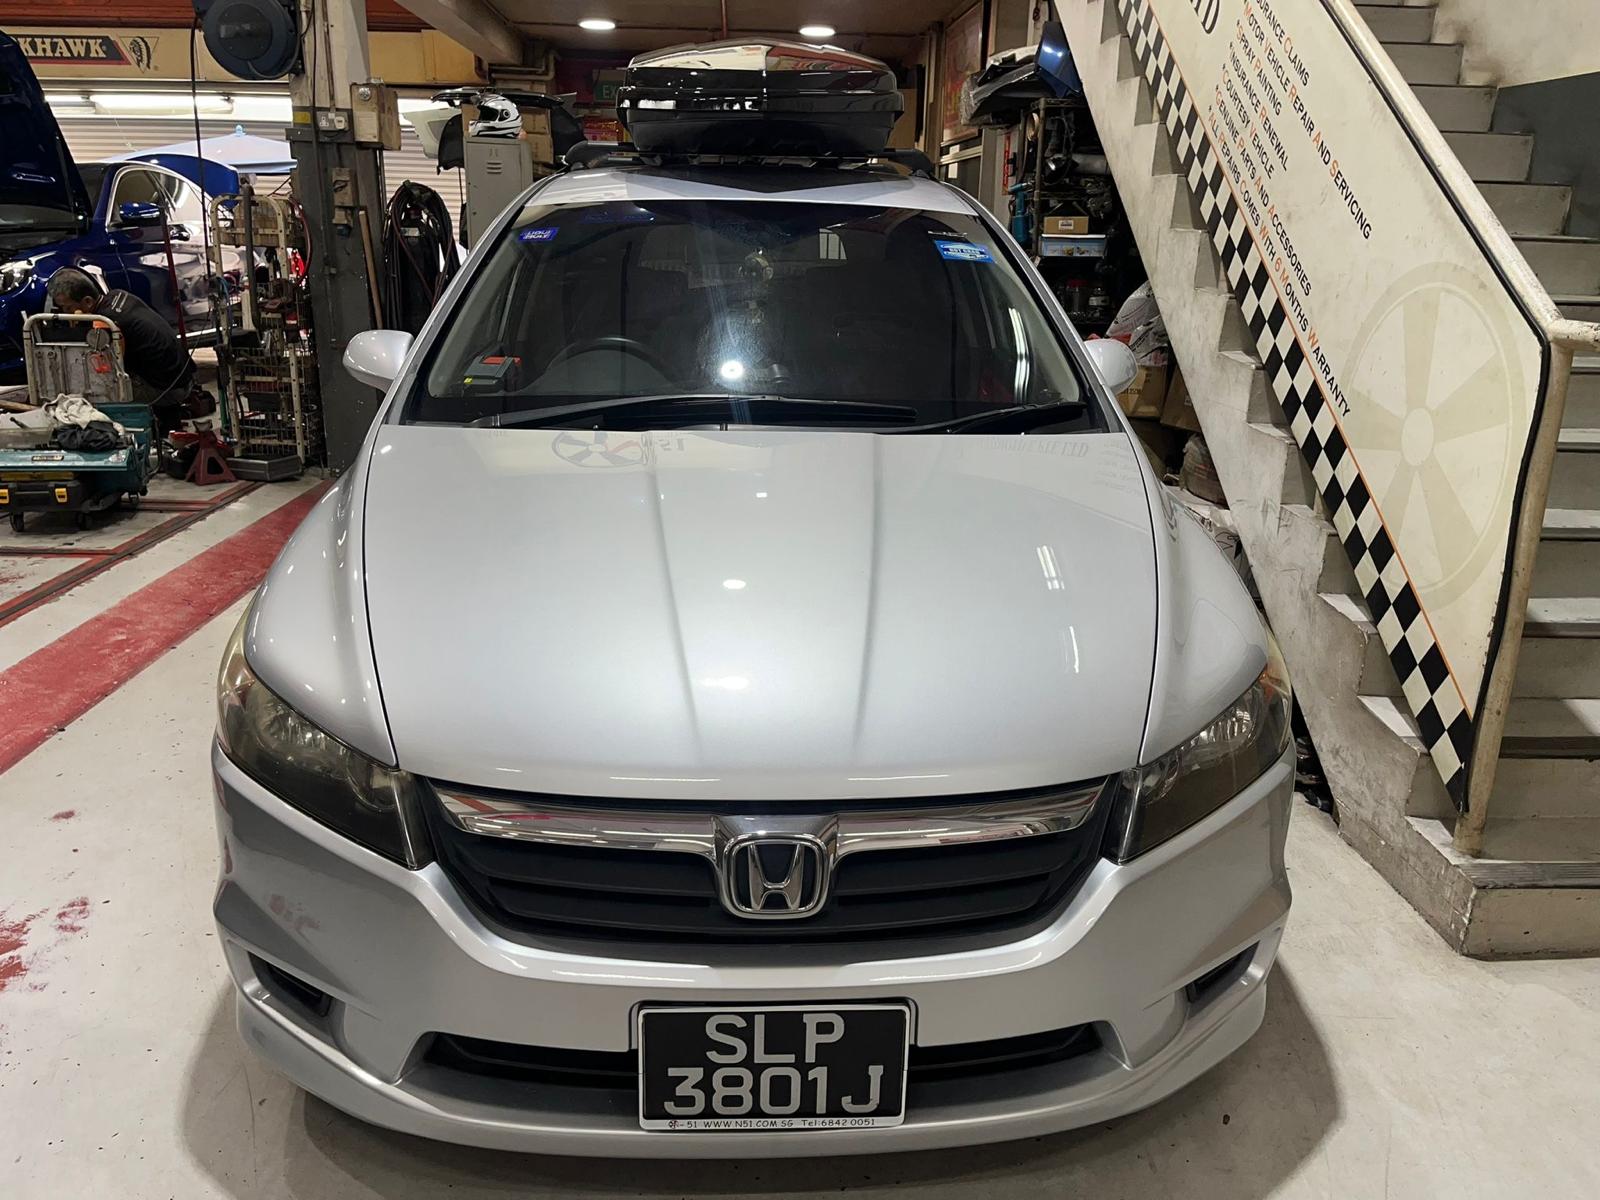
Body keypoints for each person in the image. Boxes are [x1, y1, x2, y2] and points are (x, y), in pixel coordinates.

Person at [44, 269, 198, 411]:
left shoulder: (106, 323)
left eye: (68, 308)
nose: (65, 313)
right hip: (184, 378)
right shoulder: (117, 295)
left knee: (90, 393)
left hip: (167, 391)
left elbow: (104, 371)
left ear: (88, 302)